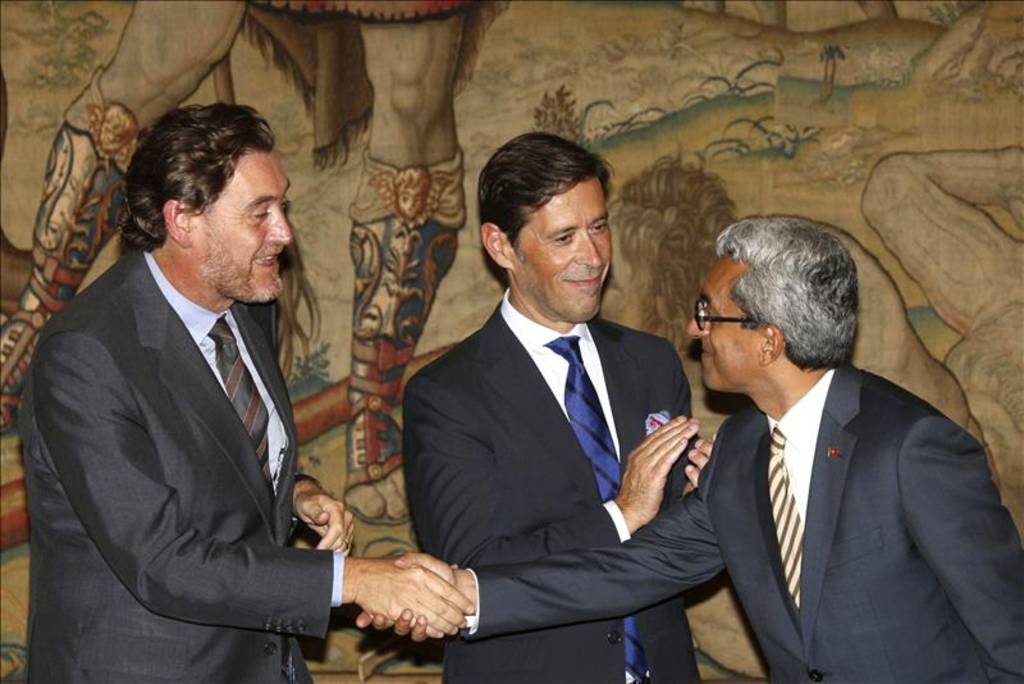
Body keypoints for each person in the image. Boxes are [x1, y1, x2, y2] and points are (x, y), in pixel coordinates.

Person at [449, 216, 1024, 682]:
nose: (693, 329)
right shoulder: (741, 450)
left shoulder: (913, 448)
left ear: (768, 341)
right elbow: (631, 571)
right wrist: (468, 597)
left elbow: (1010, 638)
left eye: (707, 313)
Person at [18, 103, 471, 683]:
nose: (284, 232)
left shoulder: (249, 306)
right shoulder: (87, 354)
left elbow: (218, 461)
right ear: (183, 220)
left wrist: (297, 492)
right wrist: (354, 579)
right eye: (260, 213)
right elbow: (162, 561)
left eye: (283, 206)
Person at [399, 132, 707, 683]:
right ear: (501, 247)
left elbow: (680, 543)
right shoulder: (446, 396)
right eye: (564, 237)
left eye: (599, 227)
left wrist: (714, 497)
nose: (594, 257)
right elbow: (475, 569)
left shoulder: (653, 362)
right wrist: (621, 515)